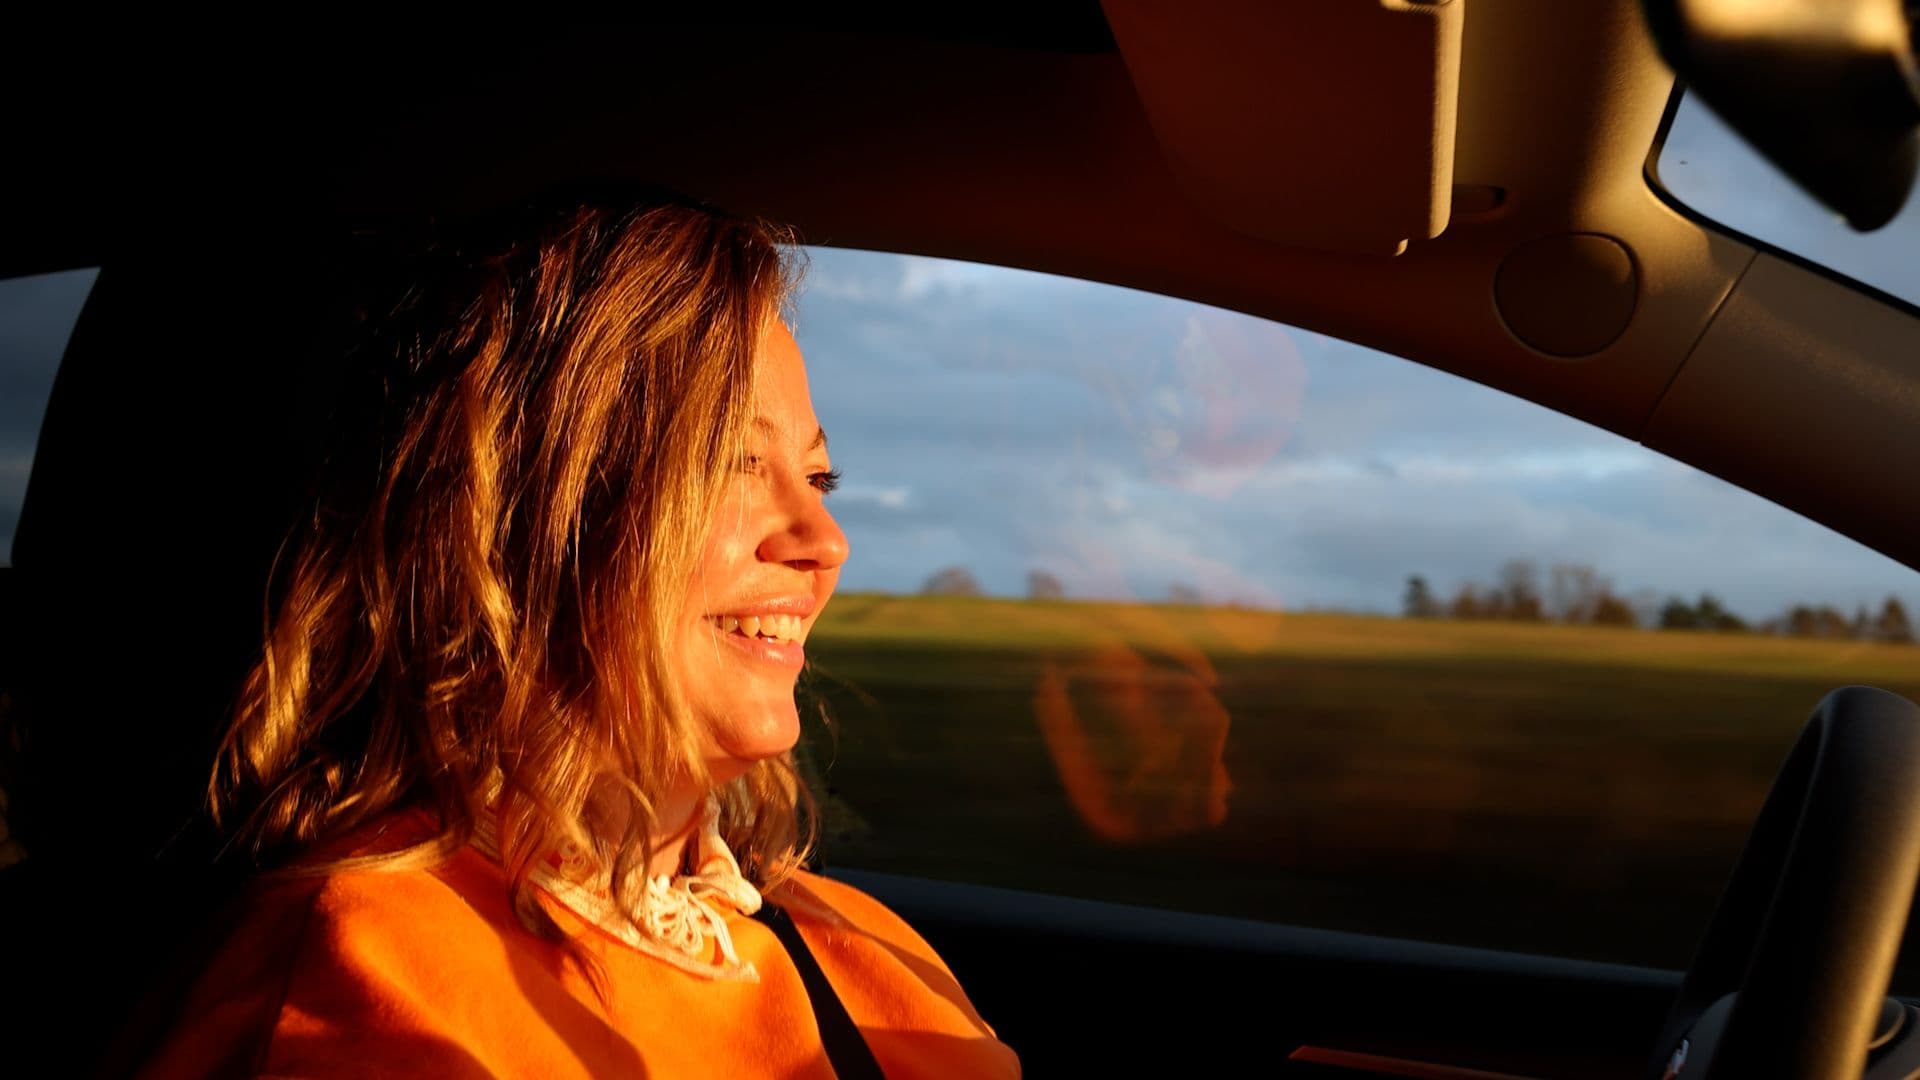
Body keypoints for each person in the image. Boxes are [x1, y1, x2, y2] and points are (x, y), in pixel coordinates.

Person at [125, 200, 1020, 1077]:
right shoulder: (364, 980)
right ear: (522, 522)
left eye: (820, 475)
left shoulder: (852, 941)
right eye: (730, 461)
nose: (826, 543)